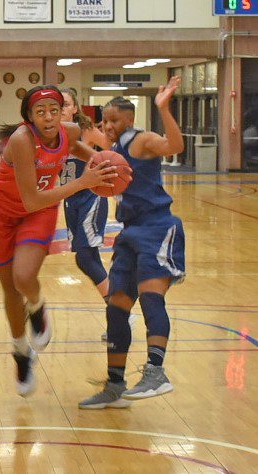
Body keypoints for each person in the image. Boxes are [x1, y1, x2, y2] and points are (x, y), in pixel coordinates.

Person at [0, 85, 117, 397]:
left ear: (63, 113)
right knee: (9, 290)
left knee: (23, 277)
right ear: (29, 117)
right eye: (40, 112)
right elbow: (30, 198)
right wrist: (83, 182)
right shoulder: (21, 140)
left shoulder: (69, 133)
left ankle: (37, 305)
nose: (48, 117)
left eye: (54, 111)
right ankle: (20, 352)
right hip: (4, 214)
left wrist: (112, 167)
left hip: (38, 213)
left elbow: (91, 158)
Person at [79, 76, 185, 409]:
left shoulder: (142, 140)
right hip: (129, 234)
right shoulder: (113, 151)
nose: (107, 125)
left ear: (129, 120)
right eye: (104, 120)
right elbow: (88, 155)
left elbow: (175, 146)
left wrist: (164, 107)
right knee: (116, 309)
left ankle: (156, 372)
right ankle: (114, 386)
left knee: (152, 299)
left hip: (157, 227)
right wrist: (63, 138)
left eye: (113, 120)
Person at [59, 88, 136, 342]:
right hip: (70, 199)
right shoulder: (51, 135)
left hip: (91, 197)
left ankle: (119, 311)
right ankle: (118, 313)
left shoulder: (87, 131)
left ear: (74, 108)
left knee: (85, 256)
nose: (60, 108)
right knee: (86, 258)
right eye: (57, 104)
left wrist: (120, 174)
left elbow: (114, 153)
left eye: (65, 104)